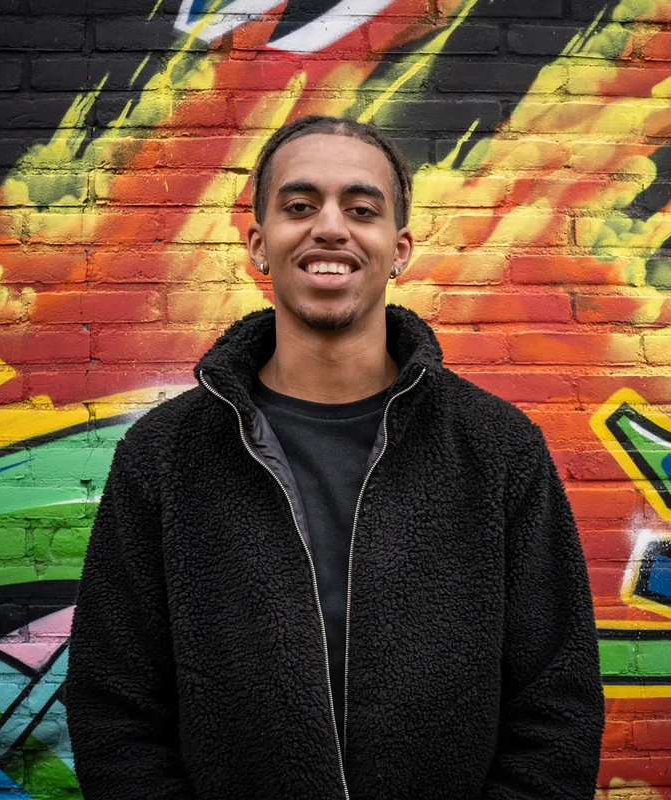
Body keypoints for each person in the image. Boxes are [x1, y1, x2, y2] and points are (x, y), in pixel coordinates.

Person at [65, 115, 605, 799]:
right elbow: (113, 706)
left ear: (399, 249)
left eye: (361, 210)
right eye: (299, 206)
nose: (329, 228)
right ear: (259, 245)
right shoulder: (165, 455)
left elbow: (558, 703)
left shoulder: (496, 448)